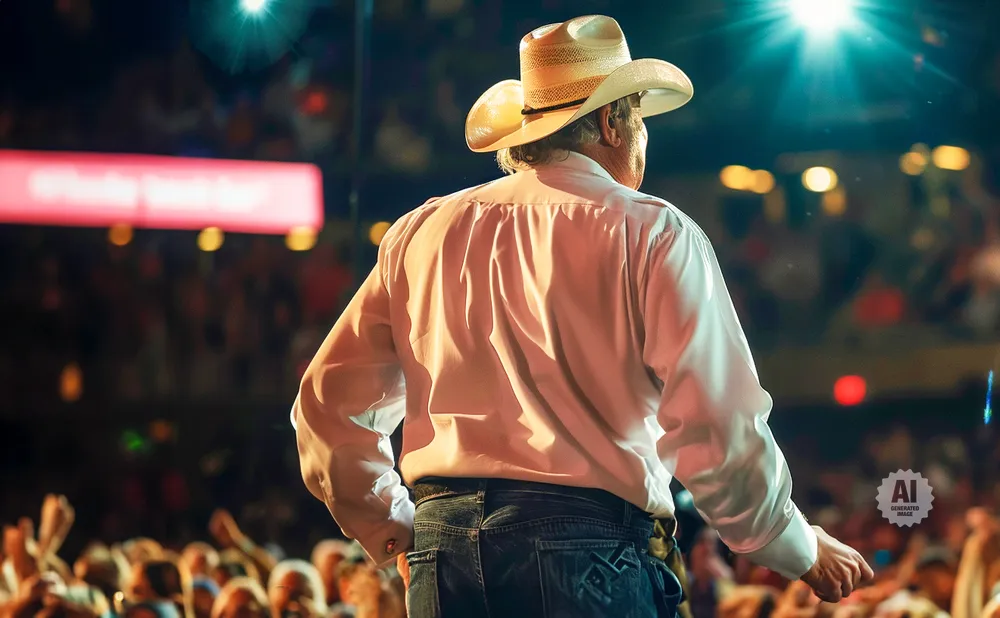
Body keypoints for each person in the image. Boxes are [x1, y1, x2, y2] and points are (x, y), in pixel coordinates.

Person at [291, 14, 873, 616]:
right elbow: (715, 421)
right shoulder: (652, 232)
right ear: (609, 122)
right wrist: (793, 544)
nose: (644, 133)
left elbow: (327, 406)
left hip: (445, 556)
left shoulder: (423, 231)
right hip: (590, 554)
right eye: (639, 115)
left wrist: (395, 527)